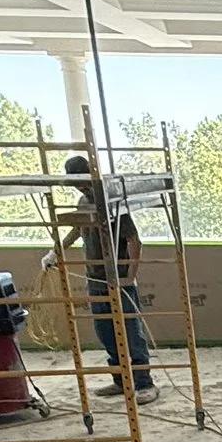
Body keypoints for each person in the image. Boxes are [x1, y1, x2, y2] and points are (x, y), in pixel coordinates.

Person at [60, 155, 156, 404]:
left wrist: (130, 276)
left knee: (131, 332)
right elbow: (78, 229)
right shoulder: (83, 202)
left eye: (83, 183)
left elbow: (134, 240)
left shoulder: (112, 203)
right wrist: (56, 251)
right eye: (76, 184)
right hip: (95, 279)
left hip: (117, 277)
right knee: (105, 331)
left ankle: (144, 382)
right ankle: (120, 380)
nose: (81, 188)